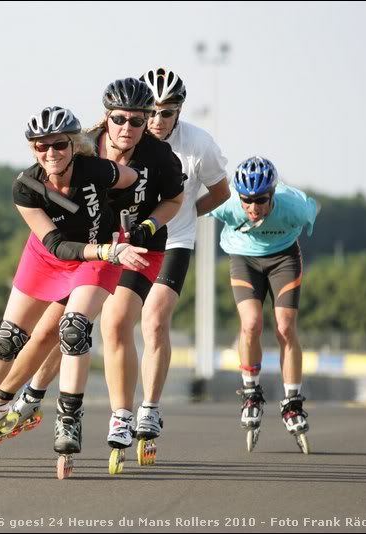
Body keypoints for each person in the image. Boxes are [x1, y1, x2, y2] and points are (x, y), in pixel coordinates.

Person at [0, 106, 146, 478]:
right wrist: (103, 249)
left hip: (99, 256)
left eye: (58, 145)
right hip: (52, 255)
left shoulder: (96, 169)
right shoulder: (26, 187)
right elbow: (54, 244)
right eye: (41, 147)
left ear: (74, 145)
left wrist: (129, 215)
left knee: (74, 329)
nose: (50, 153)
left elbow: (132, 178)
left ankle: (68, 419)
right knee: (7, 337)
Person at [0, 78, 185, 468]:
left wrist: (149, 226)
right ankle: (9, 401)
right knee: (45, 331)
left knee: (108, 321)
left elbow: (175, 199)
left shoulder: (159, 157)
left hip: (137, 247)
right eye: (119, 119)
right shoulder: (82, 144)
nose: (127, 128)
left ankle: (121, 415)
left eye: (137, 121)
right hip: (90, 247)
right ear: (105, 117)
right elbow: (44, 176)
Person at [133, 66, 230, 434]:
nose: (157, 120)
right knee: (116, 322)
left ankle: (150, 407)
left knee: (155, 321)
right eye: (151, 111)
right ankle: (121, 408)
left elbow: (221, 193)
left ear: (180, 111)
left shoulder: (199, 144)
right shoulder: (126, 137)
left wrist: (188, 213)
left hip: (174, 240)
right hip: (133, 243)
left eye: (167, 112)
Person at [209, 156, 318, 454]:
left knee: (285, 327)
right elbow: (190, 205)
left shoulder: (294, 206)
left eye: (261, 200)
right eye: (247, 200)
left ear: (272, 194)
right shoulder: (227, 203)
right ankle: (251, 392)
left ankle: (293, 401)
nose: (253, 208)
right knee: (251, 324)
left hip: (283, 258)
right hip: (243, 259)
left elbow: (313, 211)